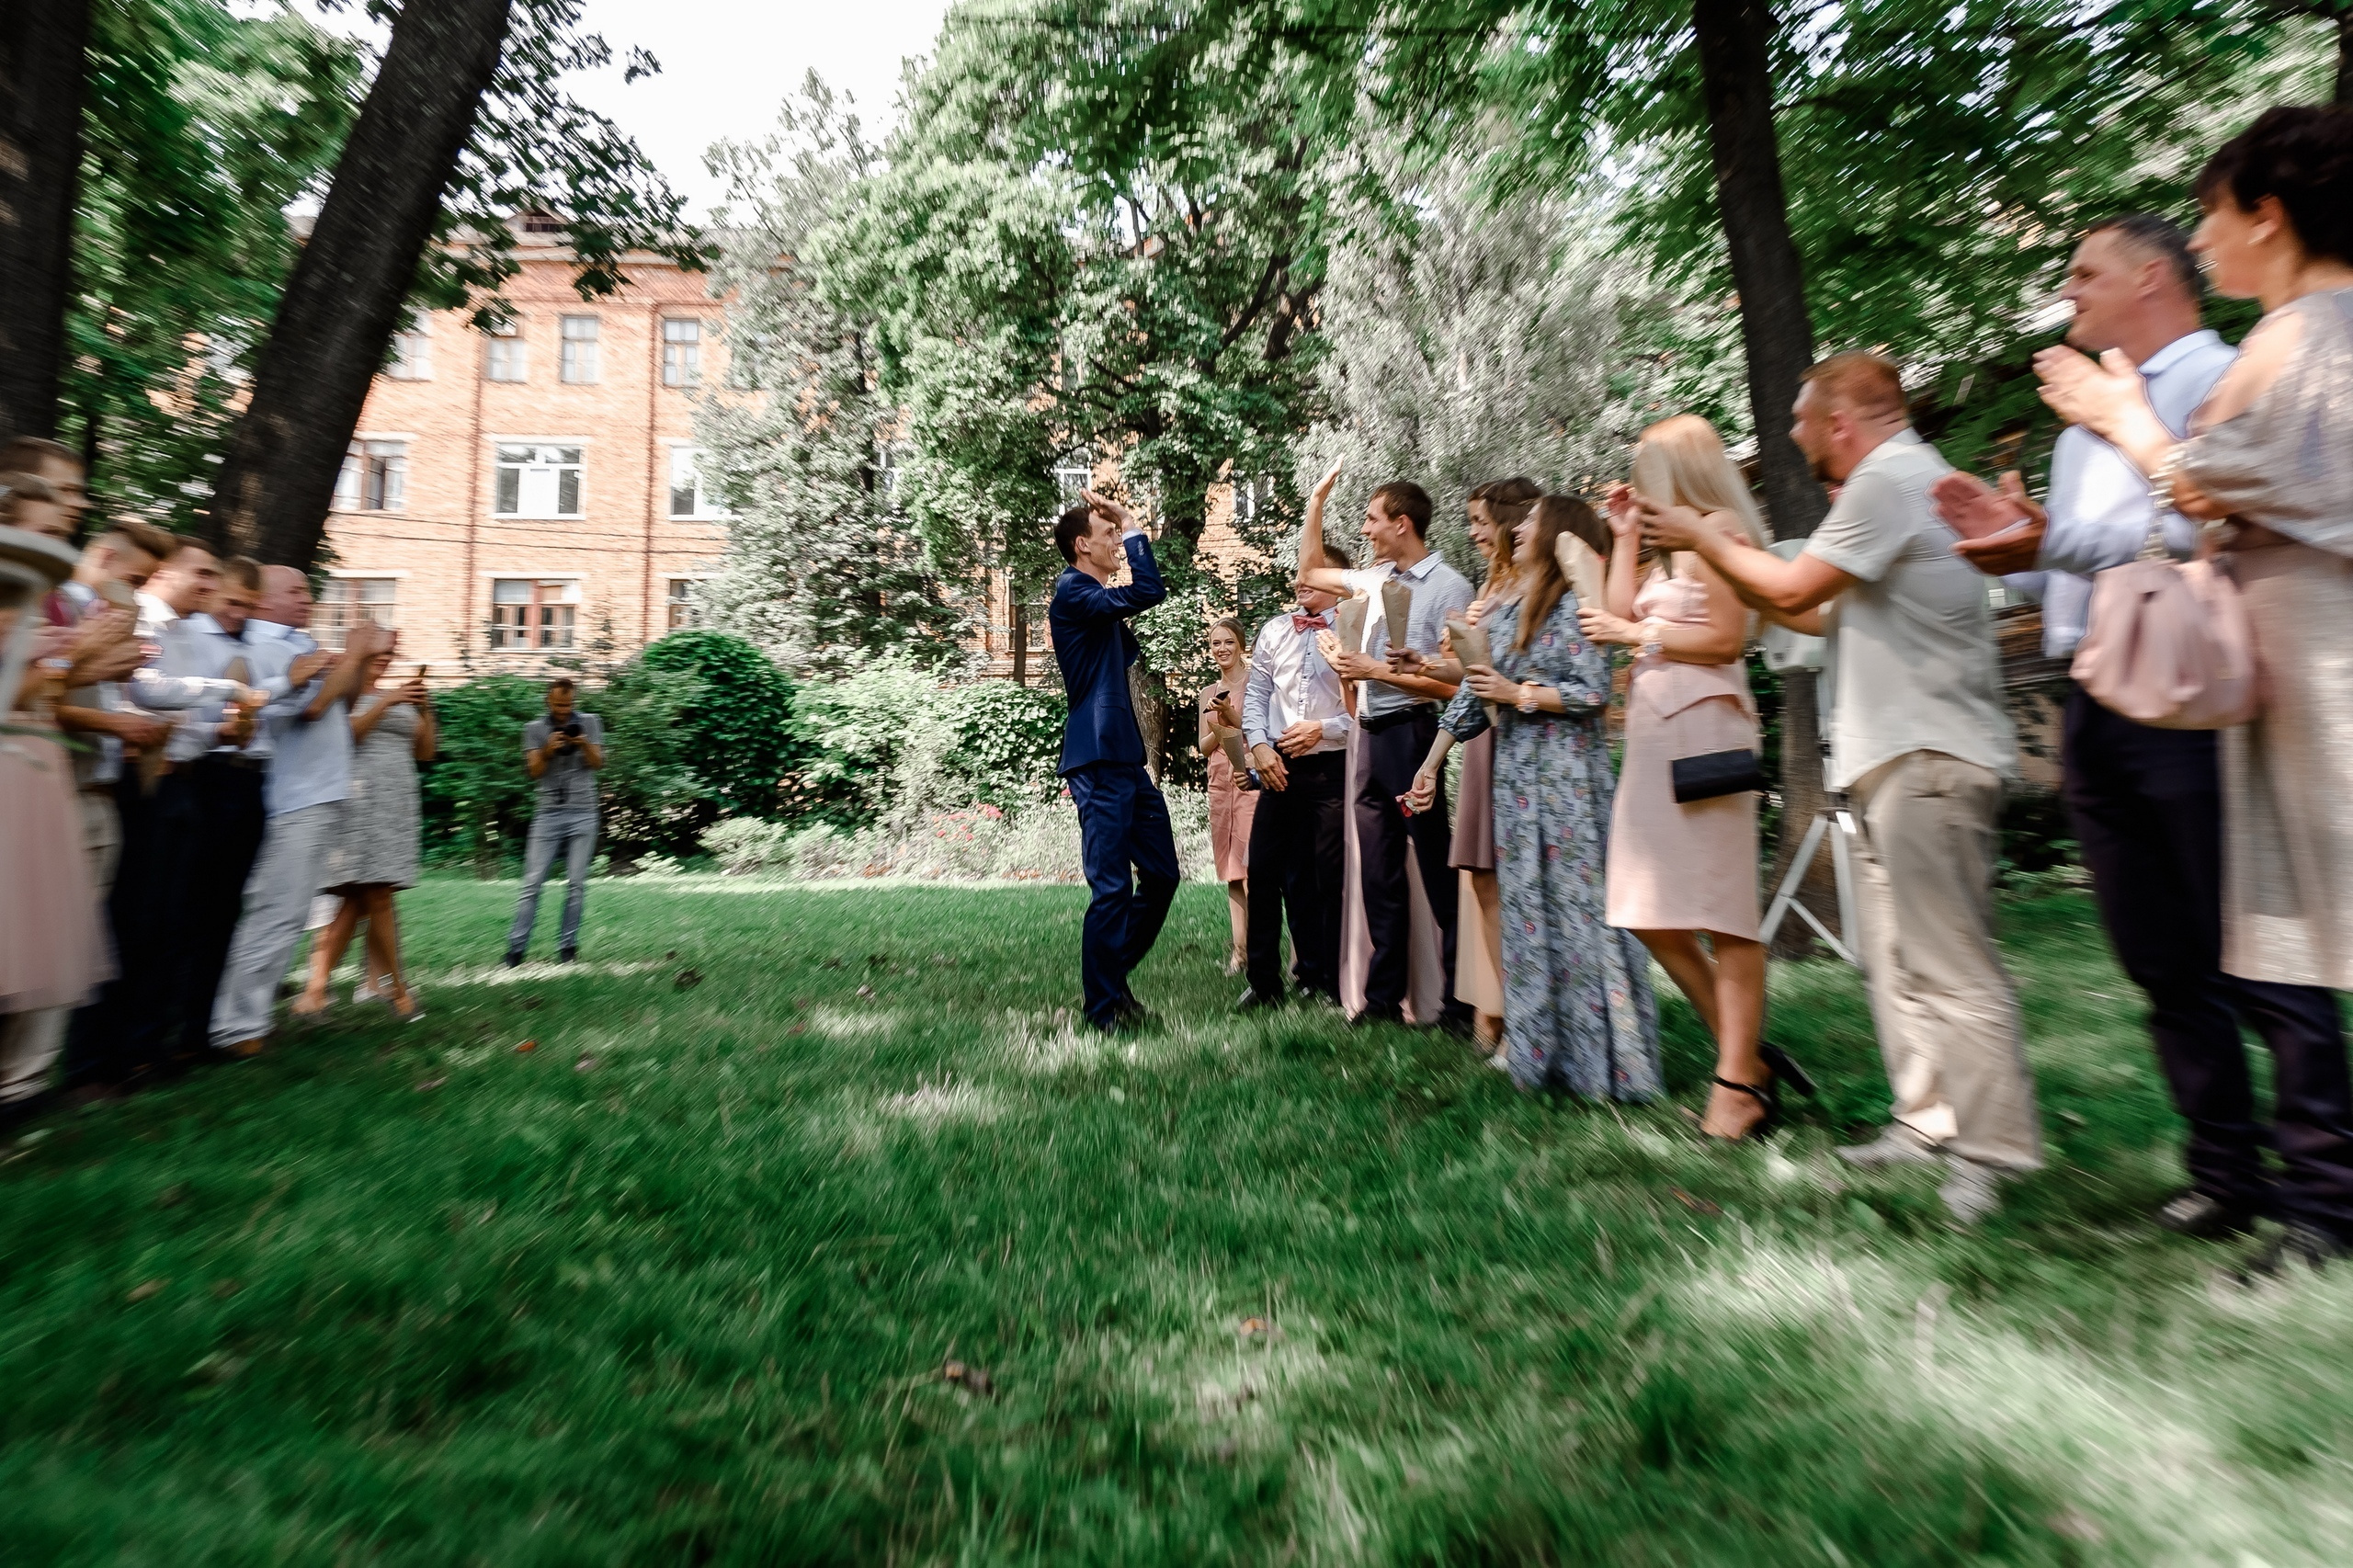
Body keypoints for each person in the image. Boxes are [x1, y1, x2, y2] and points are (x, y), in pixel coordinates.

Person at [1938, 212, 2353, 1252]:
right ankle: (2223, 1169)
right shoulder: (2082, 414)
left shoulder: (2224, 372)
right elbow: (2080, 561)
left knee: (2261, 952)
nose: (2068, 289)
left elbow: (2199, 517)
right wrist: (2012, 554)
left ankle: (2324, 1188)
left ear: (2154, 278)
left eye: (2086, 272)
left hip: (2194, 695)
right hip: (2095, 697)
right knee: (2158, 957)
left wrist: (2055, 534)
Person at [1643, 352, 2037, 1223]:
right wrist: (1739, 552)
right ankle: (1927, 1121)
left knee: (1951, 965)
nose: (1789, 433)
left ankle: (1994, 1151)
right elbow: (1812, 611)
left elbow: (1797, 587)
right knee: (1896, 960)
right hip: (1892, 757)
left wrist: (1707, 540)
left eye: (1799, 417)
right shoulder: (1891, 488)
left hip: (1929, 755)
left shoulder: (1890, 479)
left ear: (1842, 422)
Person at [1580, 417, 1801, 1141]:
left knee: (1721, 910)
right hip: (1653, 736)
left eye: (1645, 471)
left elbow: (1727, 639)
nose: (1636, 485)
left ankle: (1737, 1081)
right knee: (1643, 906)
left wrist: (1639, 636)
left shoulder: (1720, 530)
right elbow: (1612, 616)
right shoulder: (1669, 544)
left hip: (1705, 735)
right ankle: (1748, 1059)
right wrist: (1624, 538)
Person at [1408, 496, 1660, 1097]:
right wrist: (1429, 764)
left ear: (1558, 535)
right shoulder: (1508, 607)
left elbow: (1592, 690)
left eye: (1531, 522)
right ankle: (1541, 1054)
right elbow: (1474, 690)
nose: (1517, 529)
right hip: (1519, 781)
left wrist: (1519, 693)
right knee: (1528, 914)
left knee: (1578, 912)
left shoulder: (1578, 604)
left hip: (1569, 779)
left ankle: (1605, 1061)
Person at [1296, 461, 1475, 1030]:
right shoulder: (1371, 579)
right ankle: (1382, 1001)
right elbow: (1310, 571)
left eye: (1373, 520)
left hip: (1414, 736)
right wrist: (1316, 502)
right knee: (1378, 875)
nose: (1366, 530)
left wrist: (1377, 669)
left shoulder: (1451, 587)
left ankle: (1458, 1004)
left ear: (1402, 523)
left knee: (1434, 868)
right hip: (1369, 739)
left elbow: (1455, 682)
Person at [209, 617, 386, 1057]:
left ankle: (251, 1020)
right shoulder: (269, 647)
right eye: (295, 593)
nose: (306, 601)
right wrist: (354, 652)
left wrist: (356, 659)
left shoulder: (301, 642)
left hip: (321, 794)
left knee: (289, 917)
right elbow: (312, 707)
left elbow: (343, 699)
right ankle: (233, 1028)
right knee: (274, 914)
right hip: (296, 799)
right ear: (268, 601)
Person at [1048, 488, 1179, 1032]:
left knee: (1163, 875)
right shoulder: (1073, 590)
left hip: (1123, 756)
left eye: (1118, 535)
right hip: (1097, 757)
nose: (1117, 545)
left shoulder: (1094, 602)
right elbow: (1150, 589)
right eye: (1107, 538)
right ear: (1084, 545)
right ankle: (1104, 1007)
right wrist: (1128, 520)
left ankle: (1106, 977)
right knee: (1111, 887)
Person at [1236, 547, 1352, 1010]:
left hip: (1332, 768)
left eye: (1311, 575)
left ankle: (1325, 978)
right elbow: (1257, 695)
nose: (1299, 582)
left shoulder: (1358, 628)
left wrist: (1325, 728)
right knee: (1263, 871)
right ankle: (1264, 984)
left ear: (1337, 581)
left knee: (1327, 877)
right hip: (1279, 768)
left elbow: (1366, 705)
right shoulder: (1273, 630)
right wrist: (1260, 746)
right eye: (1298, 575)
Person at [300, 644, 435, 1020]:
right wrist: (388, 701)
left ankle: (313, 994)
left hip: (395, 803)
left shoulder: (403, 696)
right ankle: (401, 993)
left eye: (390, 652)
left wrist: (425, 708)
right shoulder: (342, 691)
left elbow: (424, 753)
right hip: (355, 800)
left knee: (358, 900)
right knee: (376, 895)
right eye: (378, 650)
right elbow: (345, 739)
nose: (385, 657)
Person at [505, 676, 606, 966]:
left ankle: (567, 949)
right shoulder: (534, 729)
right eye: (559, 705)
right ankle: (515, 950)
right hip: (547, 813)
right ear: (548, 701)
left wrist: (583, 742)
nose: (564, 711)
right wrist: (548, 749)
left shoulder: (589, 722)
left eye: (569, 704)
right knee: (532, 883)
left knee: (576, 884)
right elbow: (534, 771)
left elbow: (598, 763)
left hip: (584, 811)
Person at [1197, 616, 1259, 975]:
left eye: (1228, 643)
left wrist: (1231, 719)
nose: (1221, 649)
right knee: (1232, 872)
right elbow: (1203, 746)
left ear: (1241, 646)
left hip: (1249, 779)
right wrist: (1216, 729)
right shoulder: (1207, 693)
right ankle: (1239, 952)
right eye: (1215, 643)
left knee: (1252, 869)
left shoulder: (1255, 685)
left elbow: (1258, 733)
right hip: (1220, 783)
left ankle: (1261, 953)